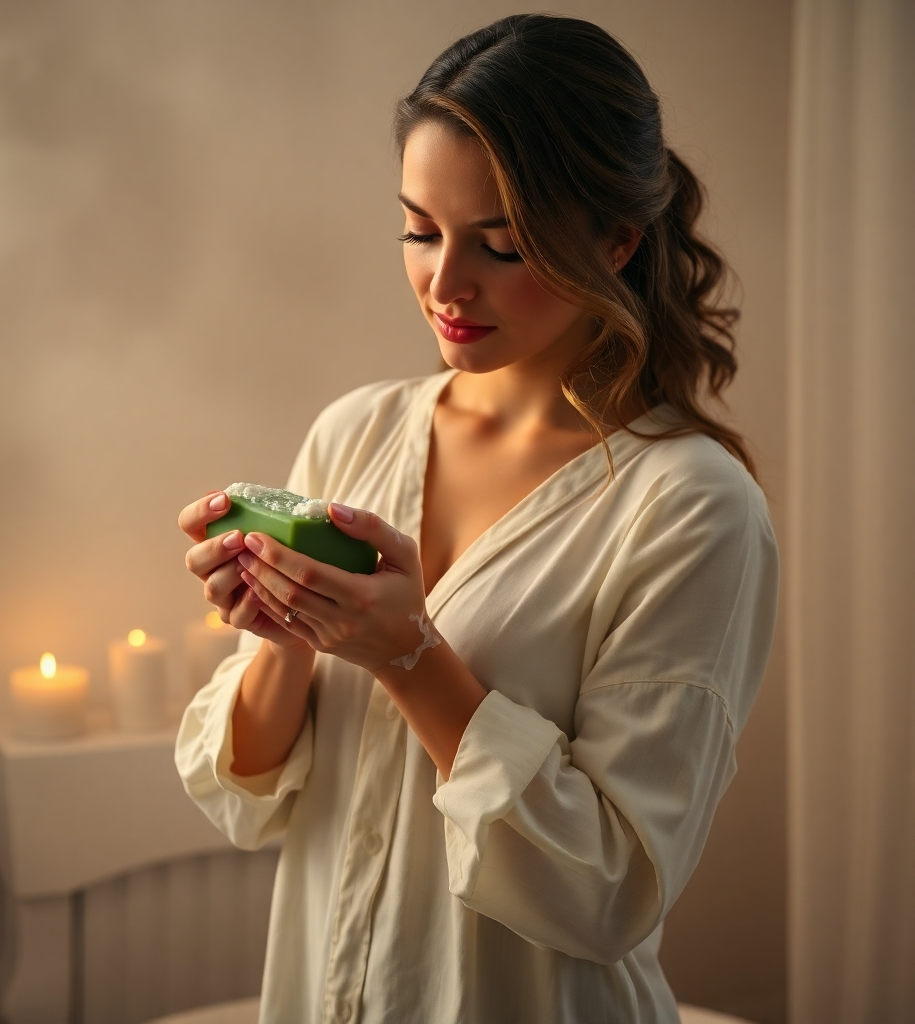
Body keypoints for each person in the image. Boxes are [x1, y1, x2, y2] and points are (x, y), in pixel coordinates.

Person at [175, 14, 778, 1024]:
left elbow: (608, 890)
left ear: (617, 240)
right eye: (420, 231)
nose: (444, 284)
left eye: (500, 245)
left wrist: (411, 655)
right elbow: (249, 801)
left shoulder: (690, 507)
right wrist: (284, 632)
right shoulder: (356, 431)